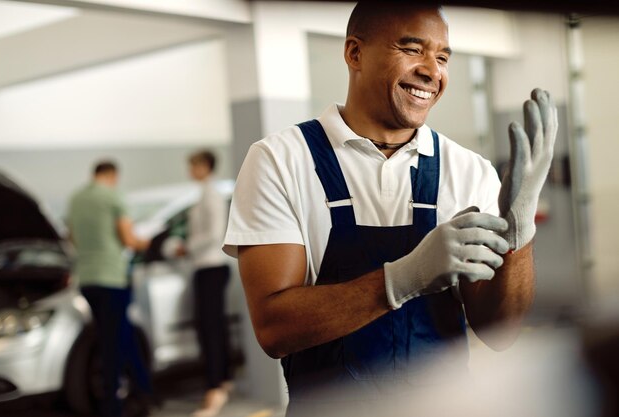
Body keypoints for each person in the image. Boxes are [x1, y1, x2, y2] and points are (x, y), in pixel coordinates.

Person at [224, 1, 558, 416]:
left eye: (442, 57)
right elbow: (274, 330)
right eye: (412, 49)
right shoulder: (281, 160)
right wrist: (404, 278)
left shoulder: (468, 170)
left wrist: (519, 238)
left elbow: (499, 332)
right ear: (354, 53)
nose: (432, 71)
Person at [67, 160, 153, 417]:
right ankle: (114, 406)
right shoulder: (113, 197)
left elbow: (71, 237)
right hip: (112, 278)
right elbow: (128, 239)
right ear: (113, 175)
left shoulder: (76, 198)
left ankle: (144, 390)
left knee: (117, 335)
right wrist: (145, 243)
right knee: (114, 343)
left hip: (87, 279)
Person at [174, 150, 233, 417]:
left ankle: (215, 388)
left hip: (212, 267)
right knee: (212, 327)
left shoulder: (212, 195)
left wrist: (186, 247)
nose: (190, 170)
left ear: (205, 166)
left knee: (209, 328)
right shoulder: (203, 194)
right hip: (205, 267)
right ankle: (222, 381)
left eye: (193, 165)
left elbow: (213, 234)